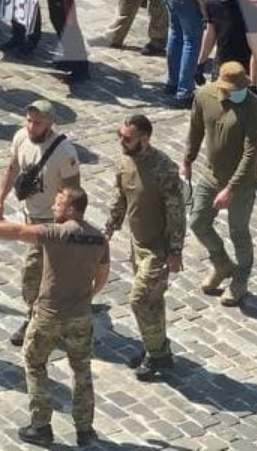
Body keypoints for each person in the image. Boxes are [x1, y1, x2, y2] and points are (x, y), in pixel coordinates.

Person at [0, 185, 107, 447]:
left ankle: (41, 426)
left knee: (34, 363)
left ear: (71, 209)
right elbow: (102, 274)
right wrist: (87, 297)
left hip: (48, 315)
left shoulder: (55, 233)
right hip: (80, 316)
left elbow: (17, 232)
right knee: (81, 370)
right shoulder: (98, 238)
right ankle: (84, 430)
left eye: (58, 203)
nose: (53, 207)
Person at [0, 99, 83, 347]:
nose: (31, 126)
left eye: (37, 122)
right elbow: (12, 168)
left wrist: (67, 223)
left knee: (32, 272)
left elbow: (74, 190)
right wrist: (0, 200)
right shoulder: (20, 137)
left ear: (50, 123)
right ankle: (49, 311)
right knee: (46, 272)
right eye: (29, 120)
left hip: (52, 222)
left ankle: (34, 318)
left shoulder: (64, 152)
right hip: (29, 216)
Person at [104, 113, 187, 380]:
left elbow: (176, 211)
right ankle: (157, 350)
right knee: (152, 300)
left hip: (158, 249)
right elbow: (120, 197)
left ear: (145, 138)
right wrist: (109, 228)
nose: (121, 142)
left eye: (127, 138)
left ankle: (157, 353)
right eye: (119, 136)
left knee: (139, 299)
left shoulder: (163, 168)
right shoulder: (124, 162)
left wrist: (175, 251)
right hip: (136, 245)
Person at [182, 61, 257, 307]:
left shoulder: (253, 107)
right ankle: (221, 263)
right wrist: (187, 160)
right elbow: (195, 129)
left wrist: (231, 188)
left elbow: (251, 153)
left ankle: (240, 278)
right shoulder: (204, 96)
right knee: (198, 222)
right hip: (210, 176)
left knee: (238, 231)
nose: (238, 92)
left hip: (242, 183)